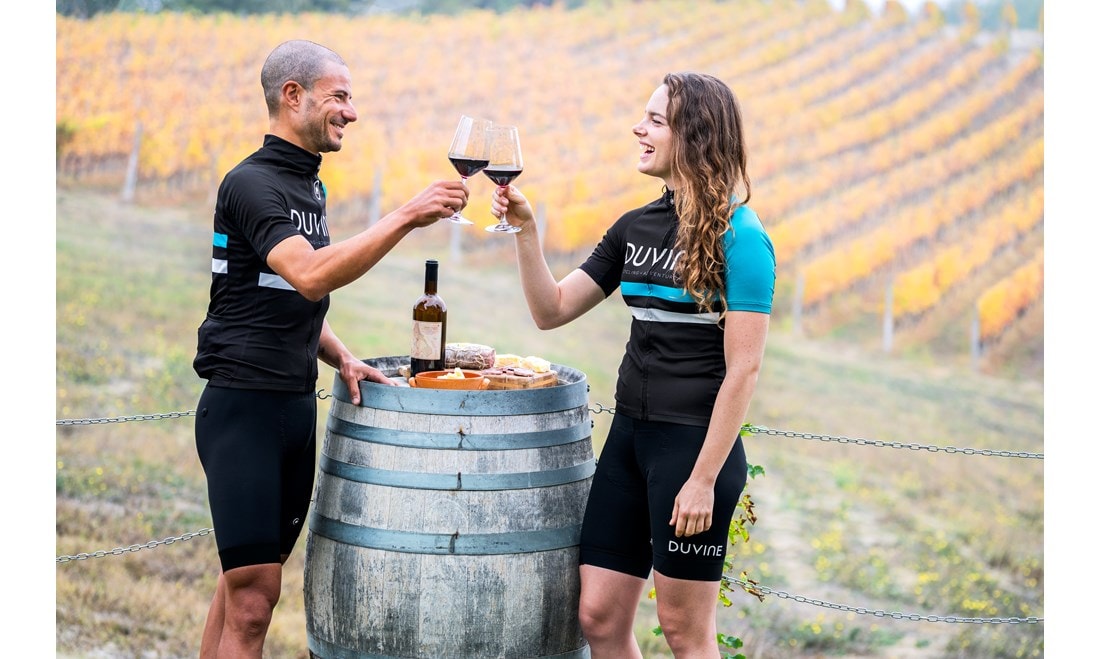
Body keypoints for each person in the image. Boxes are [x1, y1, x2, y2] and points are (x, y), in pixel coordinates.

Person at [191, 39, 468, 658]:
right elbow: (312, 275)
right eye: (339, 96)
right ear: (294, 97)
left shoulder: (308, 188)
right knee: (255, 598)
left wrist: (339, 353)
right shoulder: (252, 183)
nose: (352, 111)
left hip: (294, 407)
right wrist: (405, 215)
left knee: (245, 589)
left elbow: (281, 296)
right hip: (244, 408)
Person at [492, 72, 775, 657]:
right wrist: (526, 231)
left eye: (655, 120)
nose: (637, 129)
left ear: (693, 135)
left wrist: (701, 480)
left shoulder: (742, 238)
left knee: (684, 632)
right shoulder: (635, 227)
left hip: (693, 453)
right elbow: (553, 309)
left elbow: (743, 371)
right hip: (627, 442)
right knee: (598, 616)